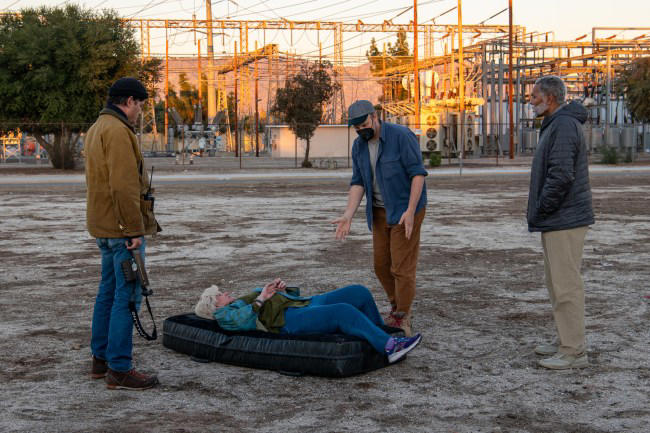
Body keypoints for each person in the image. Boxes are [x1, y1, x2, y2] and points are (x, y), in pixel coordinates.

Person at [85, 77, 161, 390]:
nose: (140, 111)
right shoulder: (117, 131)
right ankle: (119, 367)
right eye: (140, 104)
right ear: (128, 101)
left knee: (107, 292)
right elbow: (123, 185)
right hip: (121, 231)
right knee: (126, 297)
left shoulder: (96, 127)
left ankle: (100, 361)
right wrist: (133, 230)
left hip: (104, 226)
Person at [332, 100, 427, 336]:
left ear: (375, 117)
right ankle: (397, 305)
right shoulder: (359, 146)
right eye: (357, 128)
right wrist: (348, 214)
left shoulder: (401, 136)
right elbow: (357, 182)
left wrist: (411, 211)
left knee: (401, 267)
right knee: (381, 265)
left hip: (405, 209)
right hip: (379, 211)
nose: (361, 131)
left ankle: (402, 316)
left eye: (364, 124)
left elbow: (418, 174)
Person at [527, 75, 595, 370]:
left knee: (566, 285)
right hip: (558, 218)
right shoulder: (556, 123)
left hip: (564, 217)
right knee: (556, 284)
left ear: (550, 98)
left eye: (534, 96)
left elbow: (562, 174)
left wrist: (543, 207)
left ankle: (574, 351)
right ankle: (565, 339)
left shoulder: (564, 125)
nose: (530, 101)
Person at [194, 279, 422, 363]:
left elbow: (265, 297)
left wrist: (277, 289)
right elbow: (241, 322)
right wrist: (262, 297)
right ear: (215, 303)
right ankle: (389, 348)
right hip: (289, 320)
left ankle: (384, 335)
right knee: (342, 311)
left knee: (359, 292)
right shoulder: (224, 314)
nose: (226, 293)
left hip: (301, 303)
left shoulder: (238, 301)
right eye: (221, 293)